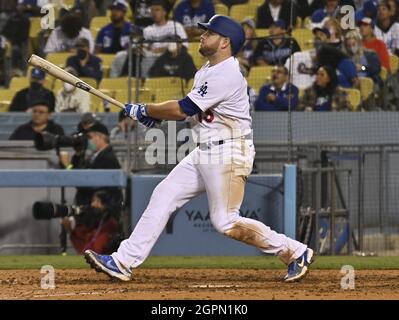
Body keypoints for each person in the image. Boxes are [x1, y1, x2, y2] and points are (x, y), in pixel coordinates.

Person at [84, 15, 314, 283]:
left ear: (225, 42)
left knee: (225, 221)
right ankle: (123, 261)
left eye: (210, 32)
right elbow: (194, 115)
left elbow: (184, 109)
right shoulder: (205, 71)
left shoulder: (228, 72)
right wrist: (156, 116)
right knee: (164, 194)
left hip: (229, 151)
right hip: (205, 150)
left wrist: (146, 109)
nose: (202, 35)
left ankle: (295, 251)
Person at [61, 121, 123, 208]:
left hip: (99, 210)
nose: (88, 141)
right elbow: (81, 174)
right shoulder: (96, 156)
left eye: (90, 137)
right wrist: (78, 155)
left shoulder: (106, 158)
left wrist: (68, 166)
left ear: (100, 137)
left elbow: (86, 184)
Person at [61, 190, 122, 254]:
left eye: (97, 201)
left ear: (105, 205)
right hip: (88, 249)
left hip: (101, 253)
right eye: (93, 201)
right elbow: (81, 233)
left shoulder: (111, 222)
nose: (93, 204)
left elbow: (98, 244)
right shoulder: (92, 219)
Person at [141, 0, 188, 78]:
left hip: (171, 57)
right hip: (152, 57)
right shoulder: (147, 30)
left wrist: (164, 50)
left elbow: (184, 45)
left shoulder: (175, 26)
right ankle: (147, 83)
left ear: (164, 12)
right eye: (152, 10)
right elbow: (146, 48)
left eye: (157, 10)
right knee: (146, 58)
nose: (154, 13)